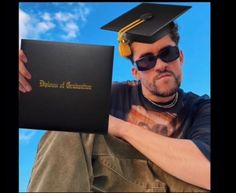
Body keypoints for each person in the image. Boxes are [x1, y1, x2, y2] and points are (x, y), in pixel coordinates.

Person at [19, 3, 210, 192]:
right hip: (122, 181)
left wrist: (118, 127)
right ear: (136, 72)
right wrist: (26, 77)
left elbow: (207, 173)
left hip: (181, 186)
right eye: (146, 61)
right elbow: (48, 103)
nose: (160, 65)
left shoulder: (202, 108)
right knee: (72, 123)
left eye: (168, 53)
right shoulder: (108, 94)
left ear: (181, 57)